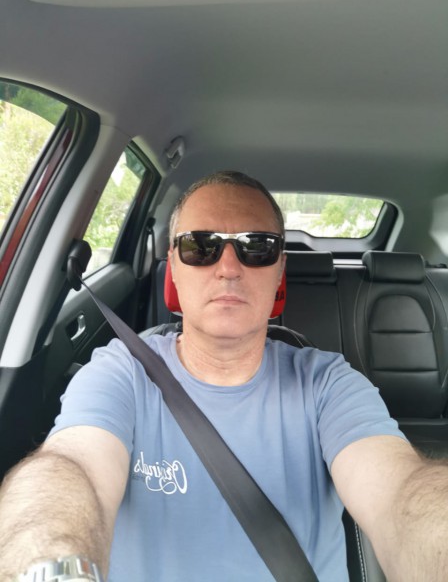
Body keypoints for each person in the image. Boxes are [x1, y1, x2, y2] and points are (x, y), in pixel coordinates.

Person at [0, 171, 447, 582]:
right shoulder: (121, 373)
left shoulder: (328, 384)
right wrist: (50, 566)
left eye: (257, 247)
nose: (229, 268)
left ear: (279, 270)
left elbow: (400, 493)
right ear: (173, 267)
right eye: (201, 246)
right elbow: (72, 468)